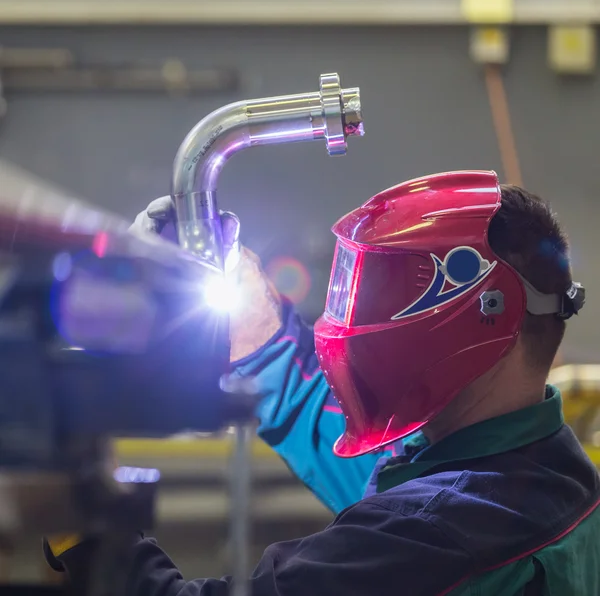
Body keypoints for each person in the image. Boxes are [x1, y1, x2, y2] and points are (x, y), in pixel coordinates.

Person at [46, 170, 599, 595]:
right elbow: (328, 428)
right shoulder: (544, 469)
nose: (353, 326)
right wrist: (254, 323)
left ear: (484, 311)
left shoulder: (435, 537)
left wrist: (81, 515)